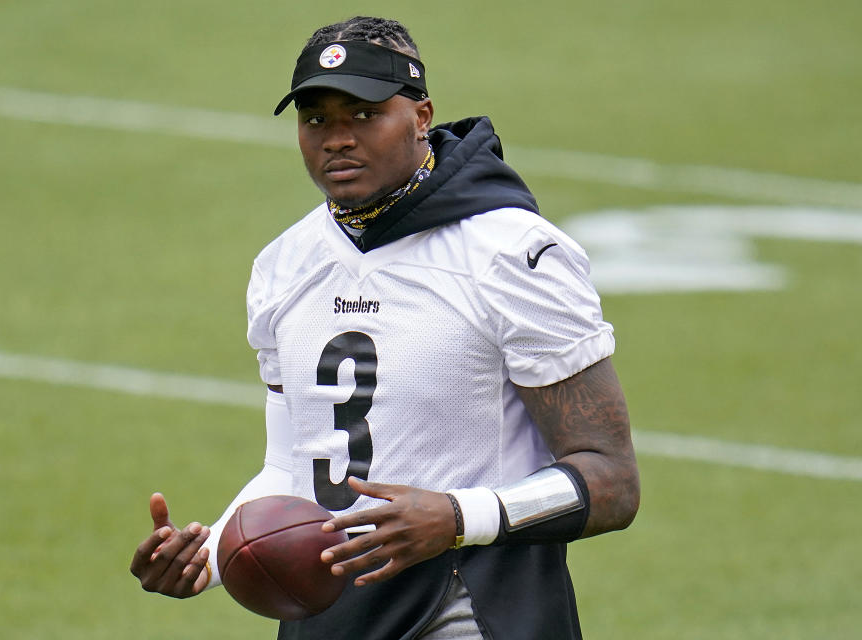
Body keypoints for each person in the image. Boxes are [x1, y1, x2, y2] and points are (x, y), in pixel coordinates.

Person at [130, 16, 640, 640]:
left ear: (421, 116)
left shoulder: (512, 255)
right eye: (316, 118)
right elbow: (294, 467)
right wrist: (211, 555)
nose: (337, 139)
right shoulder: (282, 267)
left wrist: (456, 517)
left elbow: (611, 481)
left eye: (364, 115)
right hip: (331, 613)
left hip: (476, 606)